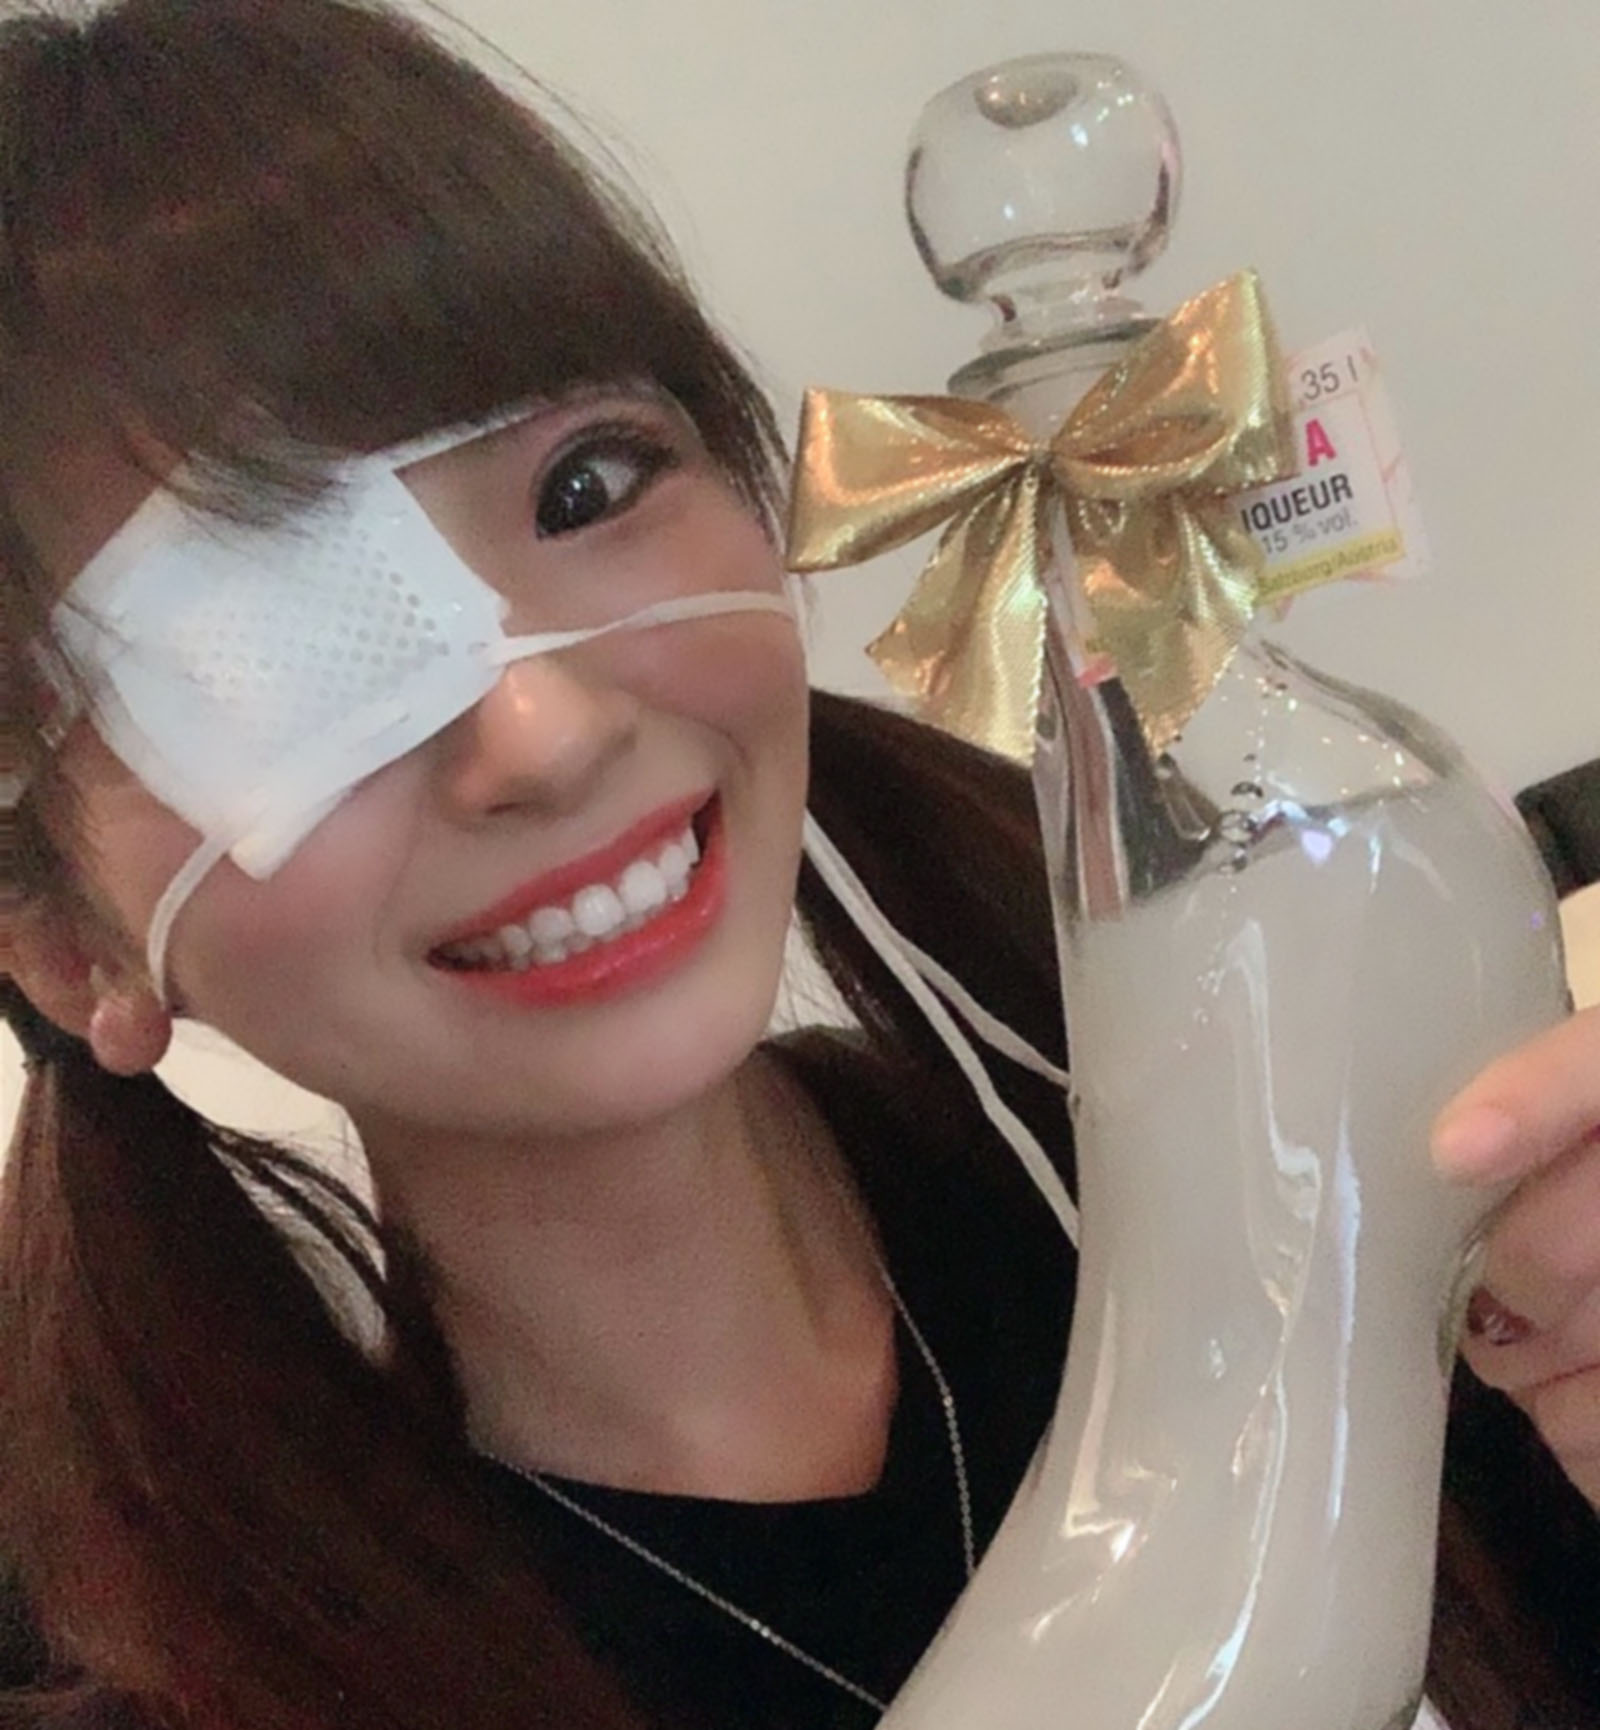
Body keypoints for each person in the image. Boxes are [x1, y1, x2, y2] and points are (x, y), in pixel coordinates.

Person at [0, 3, 1594, 1727]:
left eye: (587, 482)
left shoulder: (1298, 1169)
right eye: (261, 656)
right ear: (66, 949)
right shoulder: (234, 1684)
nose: (544, 729)